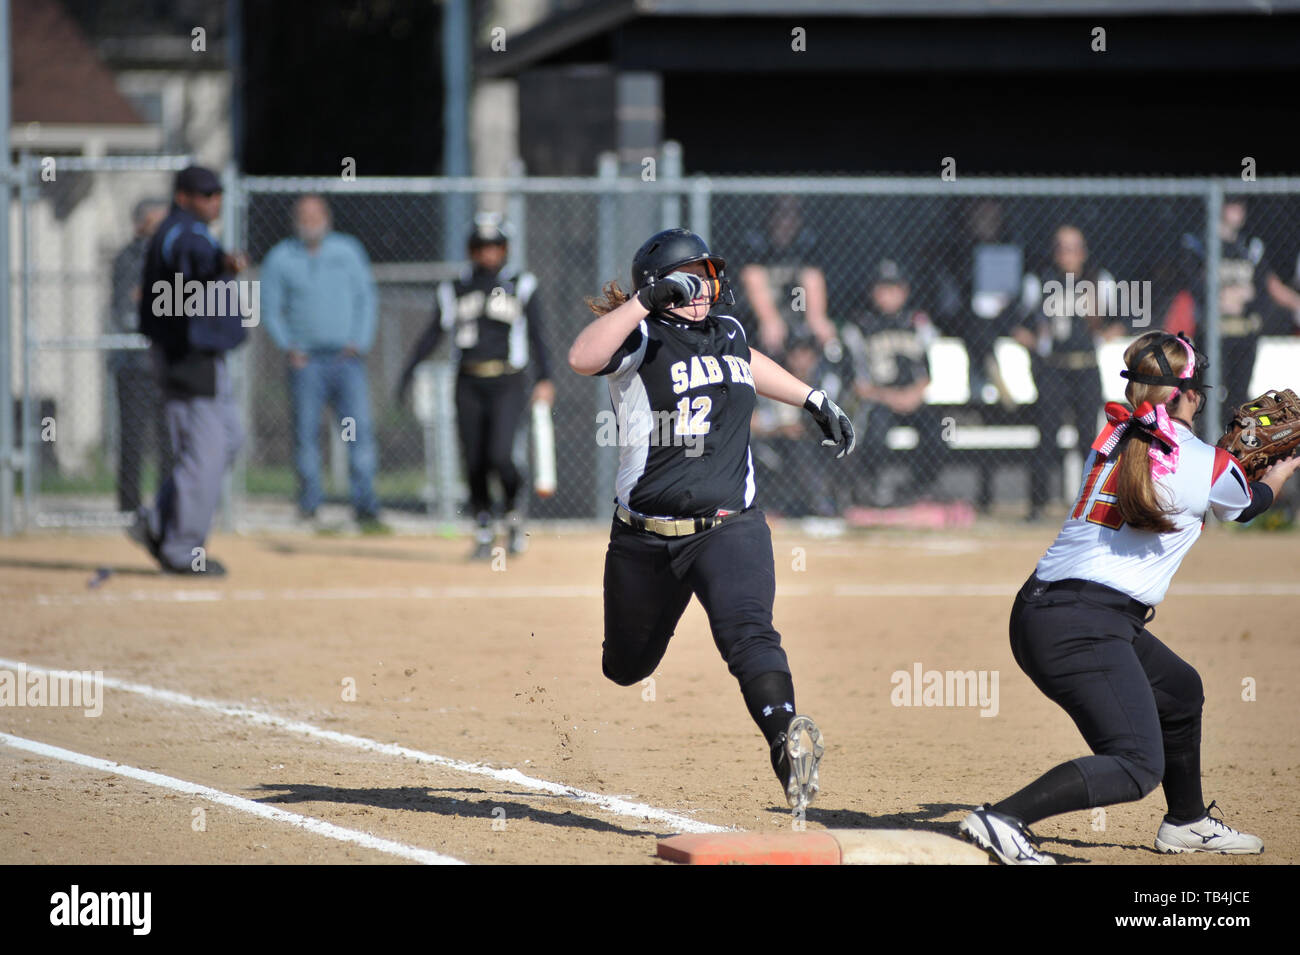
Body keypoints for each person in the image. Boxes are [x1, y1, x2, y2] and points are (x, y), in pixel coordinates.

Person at [958, 331, 1300, 865]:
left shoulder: (1120, 434)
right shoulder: (1203, 463)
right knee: (1138, 763)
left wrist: (1228, 463)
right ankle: (1002, 818)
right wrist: (1278, 472)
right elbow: (1251, 503)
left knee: (1180, 690)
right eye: (1199, 385)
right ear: (1189, 394)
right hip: (1080, 626)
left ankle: (1186, 822)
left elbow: (1190, 474)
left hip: (1049, 612)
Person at [567, 227, 855, 811]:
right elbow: (582, 358)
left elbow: (746, 360)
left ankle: (786, 739)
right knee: (625, 668)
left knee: (750, 634)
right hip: (645, 539)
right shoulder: (640, 339)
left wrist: (812, 399)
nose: (706, 285)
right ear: (661, 284)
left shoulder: (728, 332)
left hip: (730, 527)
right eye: (692, 276)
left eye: (709, 275)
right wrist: (644, 302)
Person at [397, 216, 553, 558]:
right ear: (471, 250)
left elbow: (538, 334)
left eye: (495, 246)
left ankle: (512, 512)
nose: (488, 253)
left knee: (500, 454)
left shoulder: (522, 284)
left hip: (508, 379)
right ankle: (483, 524)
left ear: (505, 249)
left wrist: (545, 378)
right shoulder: (454, 289)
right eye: (481, 247)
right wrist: (408, 371)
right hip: (467, 379)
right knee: (474, 458)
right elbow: (432, 333)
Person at [129, 166, 248, 576]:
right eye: (205, 194)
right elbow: (194, 258)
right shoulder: (184, 232)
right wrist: (221, 260)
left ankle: (158, 522)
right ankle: (182, 550)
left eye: (217, 194)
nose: (213, 201)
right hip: (187, 359)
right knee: (204, 456)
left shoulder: (189, 230)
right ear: (183, 197)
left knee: (229, 438)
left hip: (204, 359)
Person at [260, 195, 384, 531]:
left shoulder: (347, 252)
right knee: (306, 434)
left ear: (327, 218)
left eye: (316, 215)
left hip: (347, 361)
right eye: (304, 215)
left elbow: (366, 298)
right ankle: (310, 504)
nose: (310, 221)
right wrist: (289, 346)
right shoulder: (281, 258)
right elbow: (270, 309)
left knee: (357, 432)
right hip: (306, 363)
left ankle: (365, 505)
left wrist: (359, 342)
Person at [1015, 225, 1124, 520]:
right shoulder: (1039, 280)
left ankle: (1090, 503)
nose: (1068, 254)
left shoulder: (1099, 280)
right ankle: (1038, 504)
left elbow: (1119, 321)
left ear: (1084, 251)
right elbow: (1017, 323)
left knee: (1089, 438)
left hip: (1086, 367)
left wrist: (1100, 337)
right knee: (1047, 436)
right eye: (1062, 248)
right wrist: (1038, 343)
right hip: (1053, 369)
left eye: (1074, 248)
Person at [840, 260, 944, 506]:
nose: (889, 295)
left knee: (939, 431)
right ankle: (872, 488)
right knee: (875, 431)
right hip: (876, 401)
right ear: (872, 291)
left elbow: (926, 374)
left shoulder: (916, 323)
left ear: (905, 291)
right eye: (883, 288)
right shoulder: (858, 326)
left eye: (894, 288)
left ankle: (918, 487)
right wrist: (892, 398)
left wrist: (913, 395)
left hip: (911, 399)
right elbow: (857, 384)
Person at [109, 198, 172, 514]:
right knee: (132, 439)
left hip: (169, 365)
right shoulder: (127, 259)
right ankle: (129, 507)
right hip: (135, 364)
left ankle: (167, 503)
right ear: (140, 225)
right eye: (156, 222)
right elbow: (126, 312)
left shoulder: (175, 257)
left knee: (170, 441)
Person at [1211, 198, 1300, 418]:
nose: (1238, 210)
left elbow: (1265, 286)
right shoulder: (1203, 244)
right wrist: (1229, 294)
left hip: (1244, 333)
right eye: (1233, 204)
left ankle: (1234, 444)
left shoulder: (1250, 247)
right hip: (1216, 332)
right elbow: (1199, 285)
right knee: (1210, 392)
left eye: (1242, 205)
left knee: (1240, 396)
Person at [737, 194, 840, 362]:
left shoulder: (806, 241)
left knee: (821, 331)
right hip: (758, 317)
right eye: (781, 215)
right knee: (771, 329)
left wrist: (816, 318)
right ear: (770, 217)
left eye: (793, 216)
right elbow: (752, 278)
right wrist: (770, 320)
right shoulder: (757, 241)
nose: (787, 222)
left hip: (795, 308)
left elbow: (812, 278)